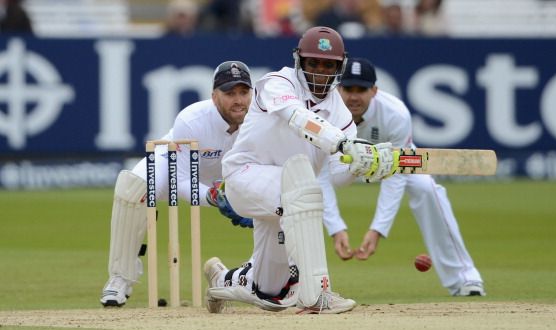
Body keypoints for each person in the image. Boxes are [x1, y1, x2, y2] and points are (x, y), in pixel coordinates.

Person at [203, 26, 398, 314]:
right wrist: (345, 144)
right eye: (313, 63)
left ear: (338, 66)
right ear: (299, 62)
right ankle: (317, 293)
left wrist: (366, 166)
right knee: (304, 192)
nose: (320, 71)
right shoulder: (277, 83)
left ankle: (222, 278)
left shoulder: (341, 115)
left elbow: (337, 175)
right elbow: (297, 118)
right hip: (245, 176)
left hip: (284, 195)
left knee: (269, 291)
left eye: (327, 64)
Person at [320, 57, 485, 296]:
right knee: (302, 184)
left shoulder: (396, 114)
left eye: (362, 89)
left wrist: (377, 230)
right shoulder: (325, 113)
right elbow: (321, 177)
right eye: (348, 89)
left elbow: (395, 176)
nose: (354, 97)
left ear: (374, 90)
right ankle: (296, 283)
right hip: (340, 166)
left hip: (388, 163)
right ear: (337, 88)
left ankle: (465, 278)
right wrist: (336, 229)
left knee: (426, 187)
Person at [100, 61, 254, 307]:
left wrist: (250, 201)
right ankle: (121, 277)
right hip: (175, 164)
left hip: (226, 175)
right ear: (214, 96)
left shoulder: (260, 120)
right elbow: (182, 180)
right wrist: (214, 197)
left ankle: (261, 278)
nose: (238, 100)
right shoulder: (193, 119)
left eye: (243, 92)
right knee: (132, 187)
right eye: (229, 93)